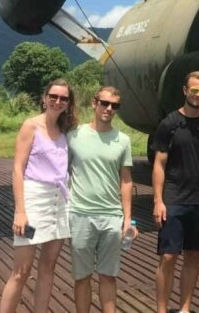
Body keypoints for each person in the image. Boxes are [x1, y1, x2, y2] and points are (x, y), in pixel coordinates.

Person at [0, 79, 77, 313]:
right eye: (53, 96)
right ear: (44, 98)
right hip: (34, 200)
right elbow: (17, 169)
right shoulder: (31, 126)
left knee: (48, 268)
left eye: (63, 98)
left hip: (59, 201)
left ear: (68, 103)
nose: (57, 101)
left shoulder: (65, 130)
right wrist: (20, 211)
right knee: (21, 271)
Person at [152, 71, 199, 313]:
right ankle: (162, 309)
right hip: (173, 198)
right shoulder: (169, 124)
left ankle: (185, 308)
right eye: (194, 90)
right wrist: (157, 201)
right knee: (169, 256)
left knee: (193, 255)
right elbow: (159, 164)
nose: (197, 95)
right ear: (185, 91)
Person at [68, 86, 137, 313]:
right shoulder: (74, 135)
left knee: (109, 276)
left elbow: (126, 181)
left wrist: (128, 219)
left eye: (114, 105)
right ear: (94, 103)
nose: (109, 109)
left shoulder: (123, 140)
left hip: (111, 216)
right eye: (105, 103)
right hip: (80, 214)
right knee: (82, 276)